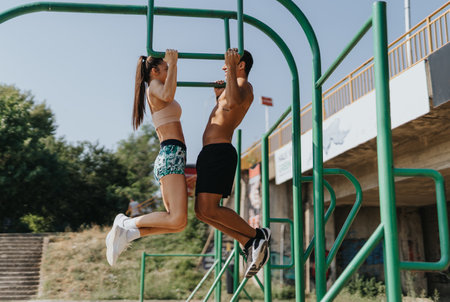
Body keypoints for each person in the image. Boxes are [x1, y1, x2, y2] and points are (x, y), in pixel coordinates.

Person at [106, 49, 188, 266]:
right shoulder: (154, 86)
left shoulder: (158, 87)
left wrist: (171, 67)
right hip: (171, 155)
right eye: (165, 68)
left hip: (174, 155)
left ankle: (131, 233)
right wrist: (175, 64)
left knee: (178, 223)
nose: (169, 71)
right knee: (176, 218)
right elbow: (169, 95)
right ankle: (125, 223)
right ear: (154, 71)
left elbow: (169, 94)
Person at [195, 48, 271, 278]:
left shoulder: (245, 87)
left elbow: (236, 99)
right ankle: (249, 241)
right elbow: (227, 109)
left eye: (228, 63)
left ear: (241, 65)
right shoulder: (232, 88)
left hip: (219, 152)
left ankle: (257, 236)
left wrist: (229, 83)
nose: (223, 66)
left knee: (209, 208)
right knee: (201, 211)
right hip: (210, 152)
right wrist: (220, 96)